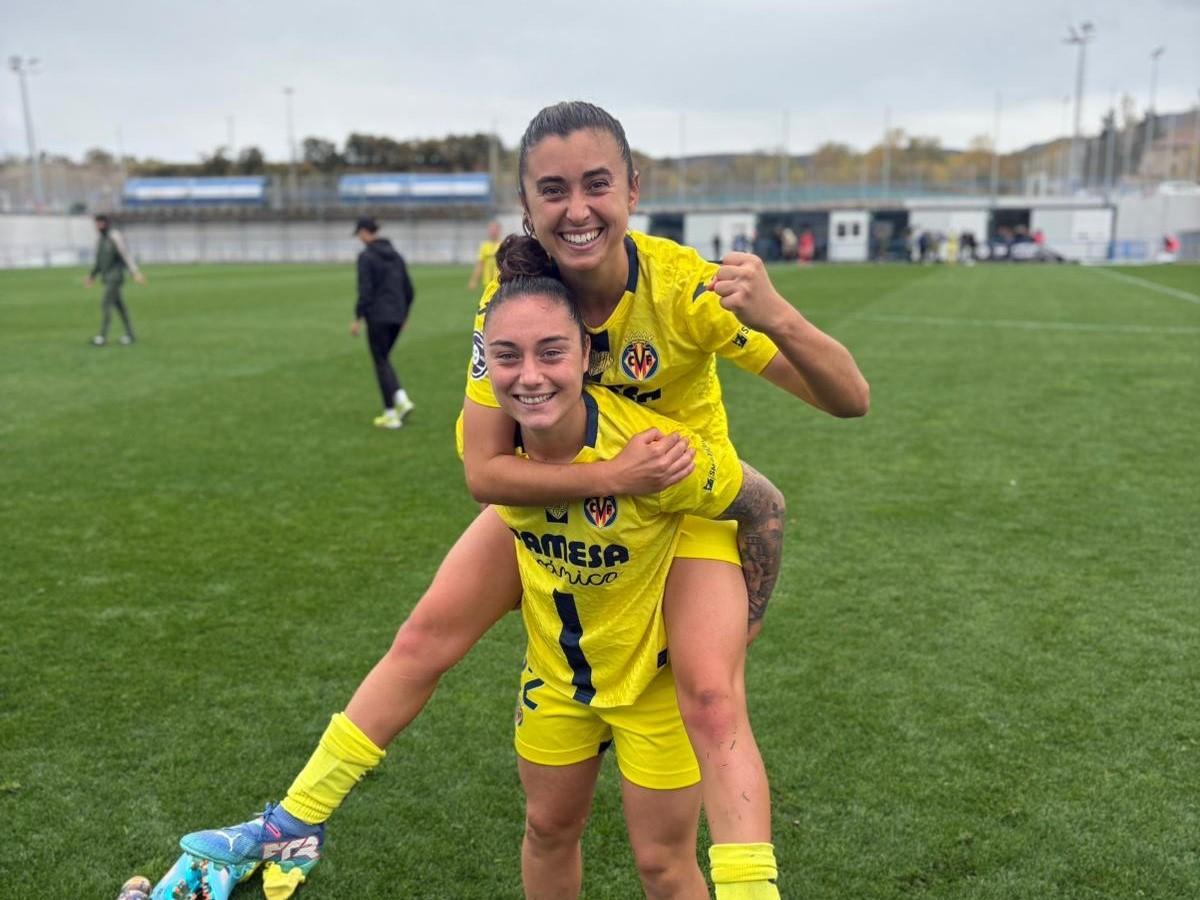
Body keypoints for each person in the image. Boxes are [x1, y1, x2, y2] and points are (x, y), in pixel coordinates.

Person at [179, 101, 867, 900]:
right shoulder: (512, 307)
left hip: (677, 512)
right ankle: (293, 819)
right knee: (426, 635)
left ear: (633, 190)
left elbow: (848, 399)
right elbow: (485, 469)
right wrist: (608, 477)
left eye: (597, 185)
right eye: (554, 190)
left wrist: (776, 313)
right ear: (527, 204)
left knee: (711, 699)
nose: (577, 210)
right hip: (573, 501)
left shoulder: (686, 290)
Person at [349, 217, 415, 430]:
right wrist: (404, 315)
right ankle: (399, 399)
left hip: (378, 316)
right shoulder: (396, 256)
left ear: (365, 232)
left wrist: (358, 317)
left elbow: (365, 290)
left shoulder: (366, 257)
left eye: (359, 233)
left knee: (380, 361)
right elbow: (409, 289)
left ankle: (392, 412)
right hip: (396, 316)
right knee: (384, 359)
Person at [85, 213, 145, 346]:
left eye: (100, 223)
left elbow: (125, 255)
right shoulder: (100, 240)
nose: (98, 226)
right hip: (106, 277)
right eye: (97, 223)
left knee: (106, 303)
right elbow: (99, 262)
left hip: (115, 277)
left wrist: (135, 272)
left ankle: (102, 336)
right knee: (120, 306)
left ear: (106, 223)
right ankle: (130, 334)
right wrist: (92, 276)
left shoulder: (115, 237)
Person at [468, 220, 503, 291]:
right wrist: (474, 280)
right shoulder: (484, 246)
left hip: (501, 282)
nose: (493, 232)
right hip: (487, 282)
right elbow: (480, 265)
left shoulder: (503, 245)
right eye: (491, 230)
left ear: (499, 230)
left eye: (495, 230)